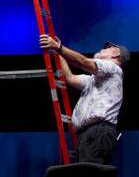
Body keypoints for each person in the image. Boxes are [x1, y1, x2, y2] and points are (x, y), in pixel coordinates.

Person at [39, 34, 129, 164]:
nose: (101, 49)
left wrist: (59, 47)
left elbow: (83, 62)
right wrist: (58, 53)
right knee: (85, 176)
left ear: (115, 53)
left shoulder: (114, 69)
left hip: (98, 132)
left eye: (106, 48)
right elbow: (70, 78)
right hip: (88, 134)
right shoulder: (96, 80)